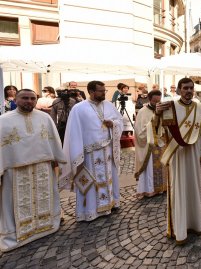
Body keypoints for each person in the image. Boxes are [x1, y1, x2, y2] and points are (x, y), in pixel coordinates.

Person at [0, 89, 66, 252]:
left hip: (43, 166)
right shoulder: (3, 120)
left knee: (45, 195)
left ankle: (47, 225)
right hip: (14, 170)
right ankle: (15, 234)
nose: (29, 101)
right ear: (16, 99)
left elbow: (53, 140)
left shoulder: (45, 118)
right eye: (24, 98)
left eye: (32, 99)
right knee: (12, 201)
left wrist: (57, 159)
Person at [153, 78, 201, 244]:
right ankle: (180, 228)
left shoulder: (200, 107)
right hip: (177, 156)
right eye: (185, 88)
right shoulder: (169, 107)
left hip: (194, 156)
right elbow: (158, 134)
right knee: (178, 190)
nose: (188, 91)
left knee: (194, 188)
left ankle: (196, 223)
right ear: (178, 90)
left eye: (191, 88)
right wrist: (157, 114)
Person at [59, 80, 123, 221]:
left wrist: (113, 124)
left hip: (107, 151)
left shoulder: (108, 105)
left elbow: (120, 121)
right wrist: (77, 154)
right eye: (101, 91)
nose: (104, 93)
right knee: (90, 182)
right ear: (91, 91)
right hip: (89, 154)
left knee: (109, 178)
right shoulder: (79, 108)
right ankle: (90, 211)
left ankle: (111, 204)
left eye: (104, 90)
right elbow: (73, 133)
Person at [134, 90, 168, 198]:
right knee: (150, 170)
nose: (157, 104)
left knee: (163, 167)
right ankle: (149, 189)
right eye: (155, 101)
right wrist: (154, 120)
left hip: (161, 143)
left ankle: (163, 187)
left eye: (159, 101)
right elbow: (139, 131)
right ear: (149, 99)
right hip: (150, 146)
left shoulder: (163, 110)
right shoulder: (143, 112)